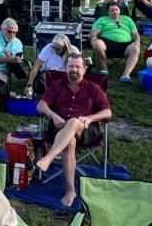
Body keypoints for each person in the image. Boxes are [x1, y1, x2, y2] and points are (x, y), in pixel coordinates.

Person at [34, 54, 112, 208]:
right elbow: (40, 106)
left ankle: (49, 158)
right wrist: (53, 115)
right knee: (69, 142)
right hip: (59, 130)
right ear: (65, 68)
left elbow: (107, 113)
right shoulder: (56, 86)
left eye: (77, 66)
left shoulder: (93, 88)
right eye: (70, 66)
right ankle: (71, 190)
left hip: (86, 132)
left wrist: (90, 118)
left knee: (74, 121)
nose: (73, 69)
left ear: (84, 69)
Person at [89, 1, 141, 83]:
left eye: (117, 9)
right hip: (107, 43)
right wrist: (94, 38)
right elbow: (94, 32)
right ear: (108, 12)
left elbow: (135, 34)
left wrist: (137, 41)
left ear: (120, 10)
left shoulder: (128, 19)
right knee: (97, 43)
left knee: (135, 48)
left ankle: (125, 75)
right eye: (112, 10)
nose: (115, 12)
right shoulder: (102, 19)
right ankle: (104, 70)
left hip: (125, 44)